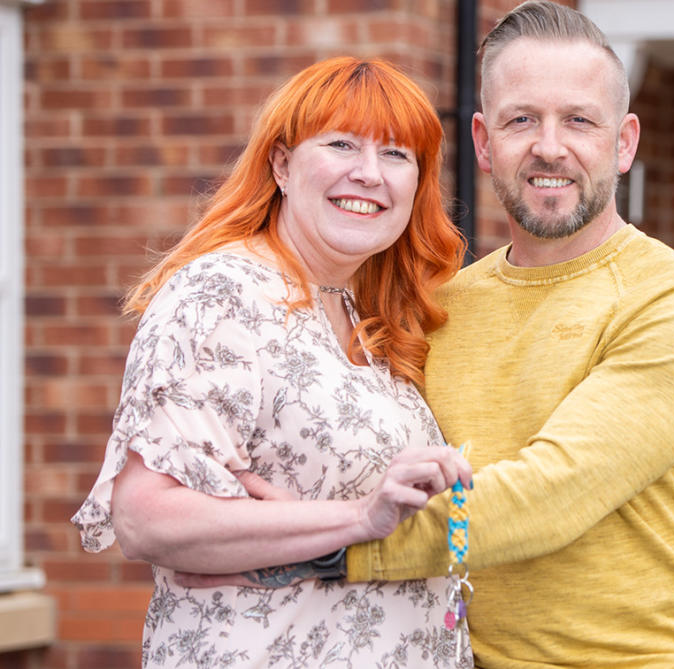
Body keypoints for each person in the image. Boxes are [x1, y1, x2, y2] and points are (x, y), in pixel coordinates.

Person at [189, 2, 674, 666]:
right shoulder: (441, 308)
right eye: (522, 120)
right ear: (484, 143)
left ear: (623, 142)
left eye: (578, 119)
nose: (549, 146)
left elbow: (549, 496)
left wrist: (315, 542)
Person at [70, 56, 475, 668]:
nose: (369, 174)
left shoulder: (367, 317)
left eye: (397, 155)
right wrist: (356, 518)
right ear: (282, 165)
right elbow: (145, 518)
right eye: (342, 144)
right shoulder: (221, 293)